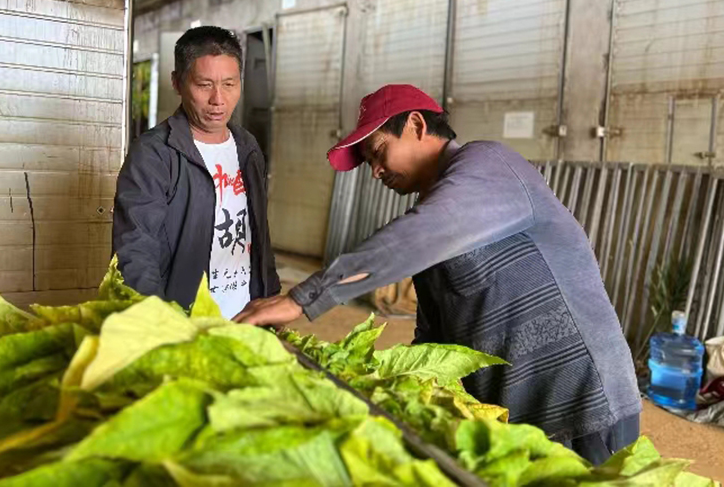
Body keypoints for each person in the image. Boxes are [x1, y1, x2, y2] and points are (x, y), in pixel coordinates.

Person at [234, 84, 641, 464]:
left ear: (415, 125)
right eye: (369, 164)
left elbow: (417, 236)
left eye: (378, 152)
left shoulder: (489, 165)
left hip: (583, 403)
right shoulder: (435, 226)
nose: (375, 172)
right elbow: (434, 338)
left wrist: (299, 300)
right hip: (516, 420)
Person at [113, 26, 280, 318]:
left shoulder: (247, 147)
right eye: (204, 85)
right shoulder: (155, 153)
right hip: (184, 319)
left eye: (230, 84)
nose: (218, 99)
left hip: (245, 316)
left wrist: (270, 297)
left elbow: (258, 233)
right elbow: (136, 250)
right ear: (177, 83)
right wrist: (159, 322)